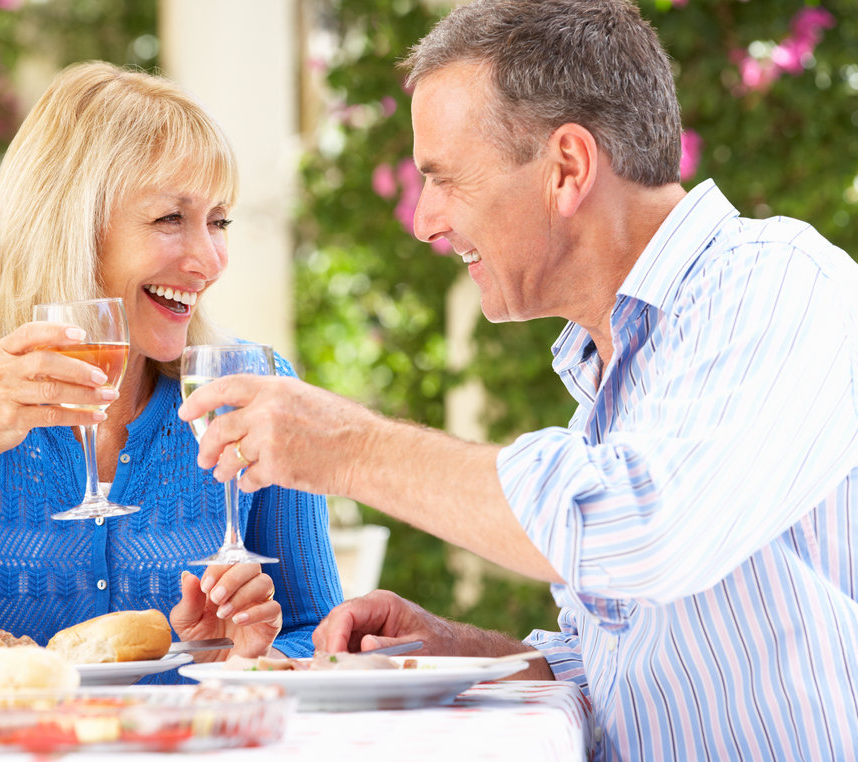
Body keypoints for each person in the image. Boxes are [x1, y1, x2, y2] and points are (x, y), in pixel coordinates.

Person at [180, 0, 858, 757]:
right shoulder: (620, 369)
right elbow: (632, 669)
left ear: (567, 168)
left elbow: (647, 534)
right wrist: (462, 649)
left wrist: (349, 448)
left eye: (444, 179)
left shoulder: (780, 287)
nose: (424, 220)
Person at [0, 61, 343, 676]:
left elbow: (318, 632)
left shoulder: (248, 394)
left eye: (218, 221)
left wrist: (236, 658)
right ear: (70, 230)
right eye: (169, 219)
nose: (209, 260)